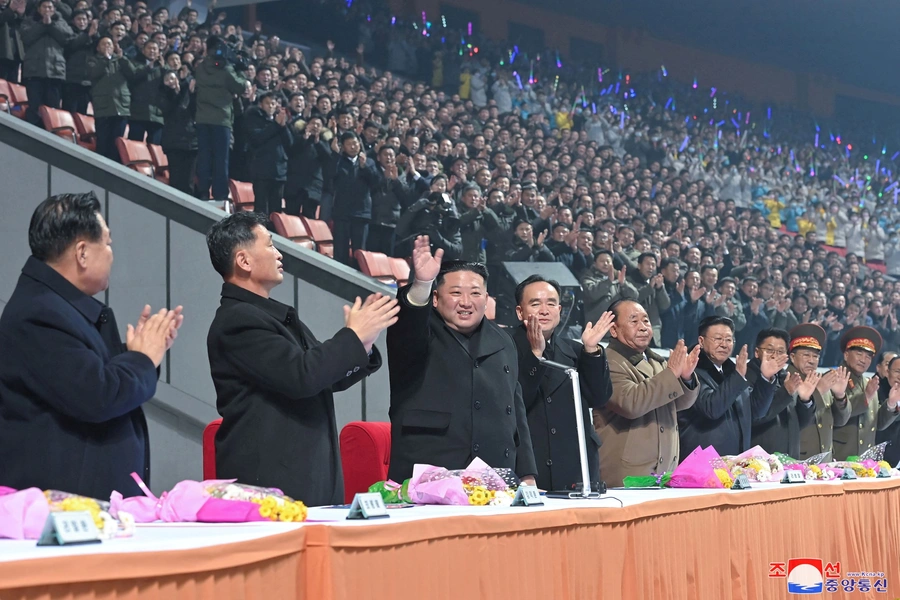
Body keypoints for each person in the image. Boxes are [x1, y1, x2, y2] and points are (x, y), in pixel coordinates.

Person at [0, 192, 182, 499]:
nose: (112, 253)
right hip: (63, 517)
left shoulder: (56, 307)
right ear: (82, 252)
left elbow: (87, 376)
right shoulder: (40, 315)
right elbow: (99, 396)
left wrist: (139, 352)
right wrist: (140, 358)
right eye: (108, 243)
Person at [206, 212, 395, 505]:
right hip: (271, 485)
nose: (279, 253)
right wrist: (353, 337)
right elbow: (302, 376)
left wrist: (364, 344)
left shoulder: (272, 315)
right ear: (244, 261)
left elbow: (322, 375)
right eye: (270, 245)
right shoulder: (238, 321)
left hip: (305, 476)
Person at [386, 236, 537, 485]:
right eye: (455, 293)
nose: (466, 302)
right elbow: (408, 324)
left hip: (495, 477)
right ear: (435, 298)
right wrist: (422, 283)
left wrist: (527, 471)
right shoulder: (418, 331)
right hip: (429, 476)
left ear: (486, 298)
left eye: (475, 293)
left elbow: (516, 411)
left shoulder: (504, 340)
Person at [512, 275, 614, 491]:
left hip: (575, 466)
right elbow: (515, 400)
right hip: (528, 466)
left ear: (560, 309)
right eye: (535, 303)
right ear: (520, 312)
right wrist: (535, 355)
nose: (544, 310)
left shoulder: (577, 350)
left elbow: (599, 398)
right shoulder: (504, 348)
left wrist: (592, 351)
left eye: (551, 303)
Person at [594, 299, 701, 487]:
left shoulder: (657, 361)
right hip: (628, 473)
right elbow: (631, 404)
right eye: (634, 321)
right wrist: (671, 374)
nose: (643, 327)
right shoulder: (607, 362)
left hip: (665, 470)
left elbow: (678, 404)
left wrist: (685, 378)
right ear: (613, 330)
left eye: (646, 321)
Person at [677, 316, 782, 460]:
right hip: (700, 463)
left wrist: (765, 378)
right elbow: (711, 408)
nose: (724, 345)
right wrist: (738, 377)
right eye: (718, 339)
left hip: (734, 462)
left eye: (728, 340)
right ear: (701, 341)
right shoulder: (690, 371)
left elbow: (756, 412)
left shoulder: (731, 372)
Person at [831, 326, 899, 460]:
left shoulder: (869, 382)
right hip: (839, 456)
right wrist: (865, 397)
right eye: (859, 354)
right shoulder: (834, 378)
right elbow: (837, 417)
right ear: (846, 354)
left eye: (868, 356)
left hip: (866, 458)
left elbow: (878, 423)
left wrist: (890, 404)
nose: (863, 360)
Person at [194, 35, 248, 201]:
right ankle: (220, 194)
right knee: (220, 159)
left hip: (202, 118)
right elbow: (240, 86)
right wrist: (239, 69)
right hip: (221, 120)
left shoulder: (201, 67)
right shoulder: (226, 70)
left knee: (204, 156)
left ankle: (202, 190)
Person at [750, 328, 817, 458]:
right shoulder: (748, 376)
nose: (775, 356)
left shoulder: (786, 377)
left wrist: (805, 400)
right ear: (757, 352)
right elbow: (756, 417)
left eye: (780, 351)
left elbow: (800, 424)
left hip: (789, 459)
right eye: (769, 350)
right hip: (759, 461)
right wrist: (785, 392)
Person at [789, 324, 852, 460]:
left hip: (825, 460)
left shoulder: (821, 380)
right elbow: (792, 419)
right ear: (792, 357)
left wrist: (840, 396)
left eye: (816, 356)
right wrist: (818, 392)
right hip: (798, 460)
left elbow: (841, 421)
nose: (811, 361)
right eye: (806, 355)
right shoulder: (786, 380)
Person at [19, 0, 73, 125]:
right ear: (39, 9)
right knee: (34, 106)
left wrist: (51, 25)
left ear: (54, 9)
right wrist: (43, 25)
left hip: (55, 72)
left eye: (50, 7)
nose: (47, 10)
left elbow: (67, 38)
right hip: (34, 71)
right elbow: (26, 37)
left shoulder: (60, 21)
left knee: (52, 108)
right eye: (45, 7)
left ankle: (50, 133)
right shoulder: (30, 20)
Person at [244, 92, 293, 218]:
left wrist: (283, 127)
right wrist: (276, 125)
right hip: (261, 171)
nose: (271, 106)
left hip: (279, 172)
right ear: (261, 105)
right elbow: (257, 139)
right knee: (261, 208)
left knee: (275, 211)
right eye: (267, 103)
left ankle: (274, 236)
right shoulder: (254, 118)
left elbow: (290, 144)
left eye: (273, 103)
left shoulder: (280, 120)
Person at [87, 35, 131, 161]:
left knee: (117, 143)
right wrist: (105, 60)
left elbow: (132, 74)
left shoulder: (120, 61)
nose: (107, 47)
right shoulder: (93, 60)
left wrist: (122, 58)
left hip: (121, 107)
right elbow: (93, 73)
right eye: (104, 44)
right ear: (98, 47)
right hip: (103, 108)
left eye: (110, 44)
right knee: (103, 142)